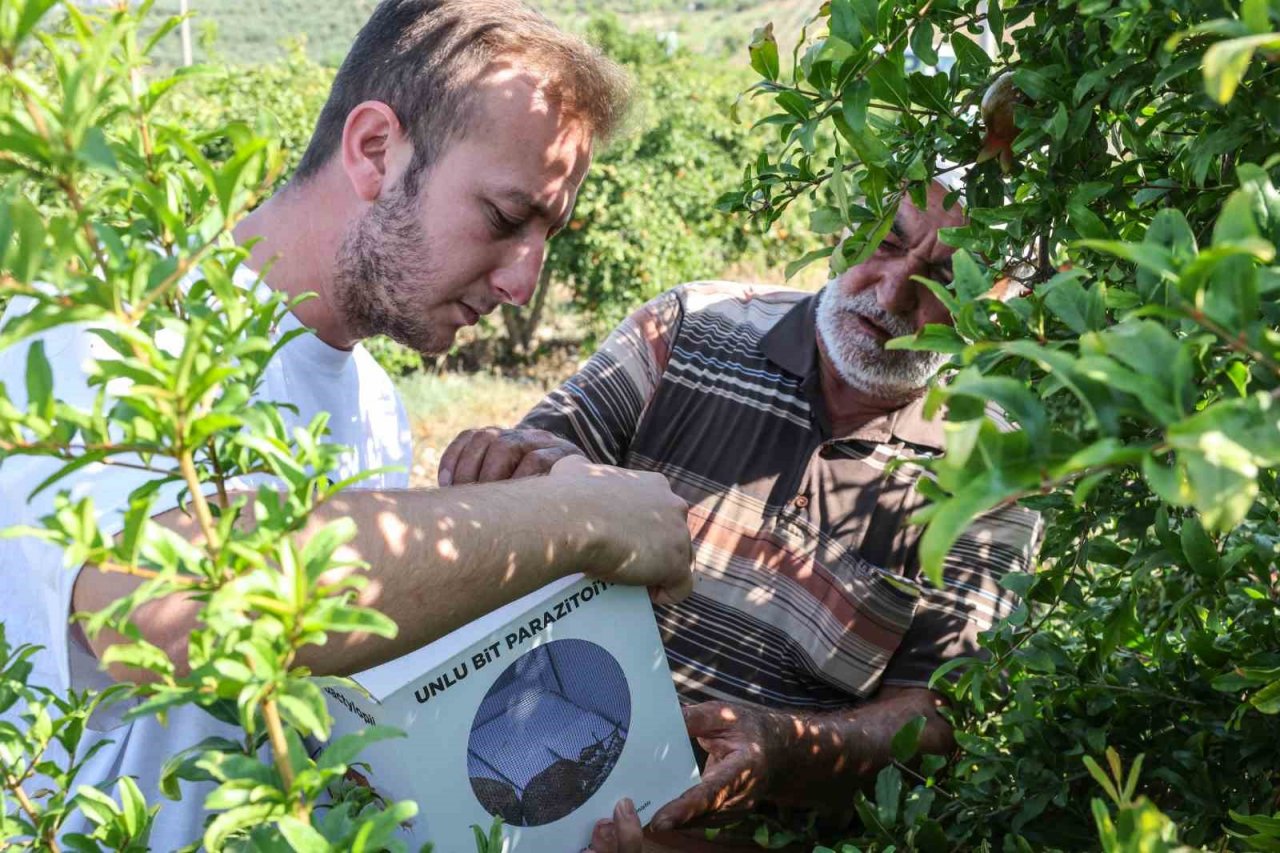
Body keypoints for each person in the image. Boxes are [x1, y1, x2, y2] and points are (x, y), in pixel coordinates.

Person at [0, 2, 690, 850]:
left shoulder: (373, 402)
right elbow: (168, 609)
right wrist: (582, 519)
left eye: (549, 235)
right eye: (507, 219)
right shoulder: (115, 331)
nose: (524, 283)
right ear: (374, 149)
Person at [441, 182, 1044, 851]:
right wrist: (534, 466)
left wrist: (786, 749)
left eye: (943, 277)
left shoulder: (994, 470)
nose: (893, 290)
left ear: (998, 302)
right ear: (846, 225)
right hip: (523, 780)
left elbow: (935, 719)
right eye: (887, 241)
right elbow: (529, 480)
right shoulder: (692, 326)